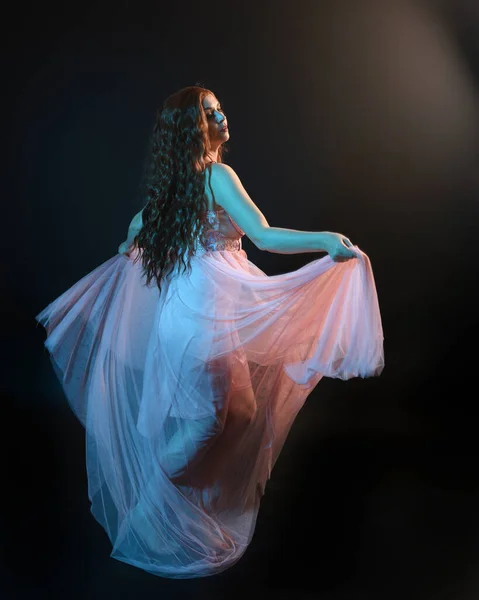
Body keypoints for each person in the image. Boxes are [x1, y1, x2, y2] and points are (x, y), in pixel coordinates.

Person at [35, 85, 384, 579]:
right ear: (193, 130)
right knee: (209, 423)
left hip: (196, 312)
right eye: (209, 112)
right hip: (204, 316)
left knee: (240, 413)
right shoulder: (218, 175)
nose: (221, 116)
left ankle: (186, 510)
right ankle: (150, 512)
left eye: (218, 108)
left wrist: (128, 243)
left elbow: (137, 227)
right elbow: (261, 235)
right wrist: (324, 240)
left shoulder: (179, 185)